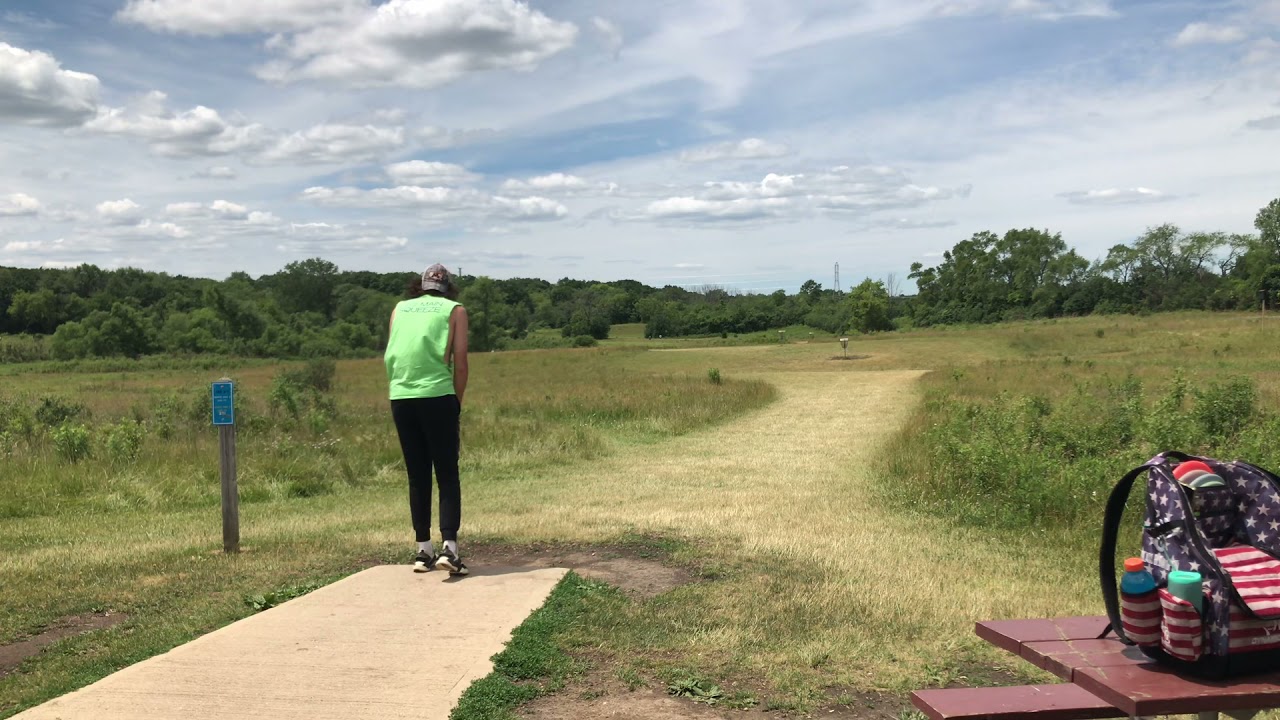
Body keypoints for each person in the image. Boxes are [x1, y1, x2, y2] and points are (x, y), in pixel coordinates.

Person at [384, 263, 470, 576]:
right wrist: (456, 401)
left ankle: (423, 550)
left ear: (420, 286)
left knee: (417, 475)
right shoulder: (455, 310)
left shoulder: (399, 309)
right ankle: (450, 548)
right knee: (447, 473)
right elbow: (460, 361)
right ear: (447, 289)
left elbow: (393, 354)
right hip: (437, 394)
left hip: (401, 396)